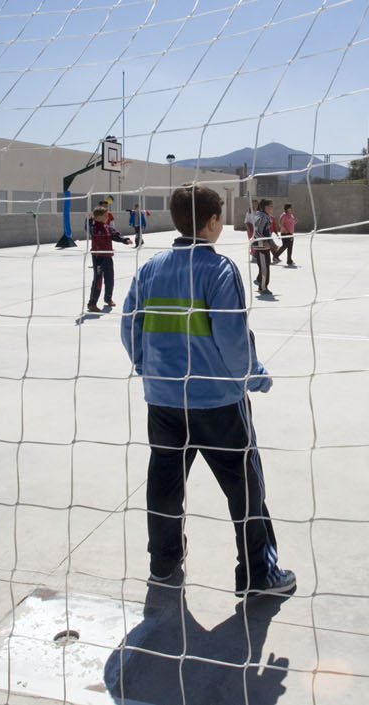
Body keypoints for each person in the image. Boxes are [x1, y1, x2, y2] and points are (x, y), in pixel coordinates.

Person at [120, 183, 296, 597]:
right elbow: (234, 341)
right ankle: (257, 574)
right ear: (213, 222)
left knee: (164, 484)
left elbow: (130, 325)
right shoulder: (219, 270)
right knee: (245, 489)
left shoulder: (149, 269)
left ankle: (163, 565)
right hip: (217, 404)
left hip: (163, 401)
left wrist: (147, 367)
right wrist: (253, 377)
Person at [86, 206, 131, 312]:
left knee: (110, 278)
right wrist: (89, 220)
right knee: (98, 279)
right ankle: (92, 303)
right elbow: (89, 230)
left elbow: (115, 235)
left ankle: (108, 298)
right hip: (98, 257)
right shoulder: (94, 227)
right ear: (98, 217)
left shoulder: (107, 227)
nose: (107, 217)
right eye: (105, 215)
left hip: (108, 256)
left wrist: (125, 240)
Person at [250, 199, 276, 296]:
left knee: (266, 265)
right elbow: (256, 231)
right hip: (260, 246)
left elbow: (268, 233)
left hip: (265, 247)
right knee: (264, 267)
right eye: (271, 206)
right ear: (266, 207)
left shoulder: (266, 216)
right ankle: (263, 287)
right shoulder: (261, 216)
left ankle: (259, 281)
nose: (272, 208)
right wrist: (264, 241)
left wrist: (273, 244)